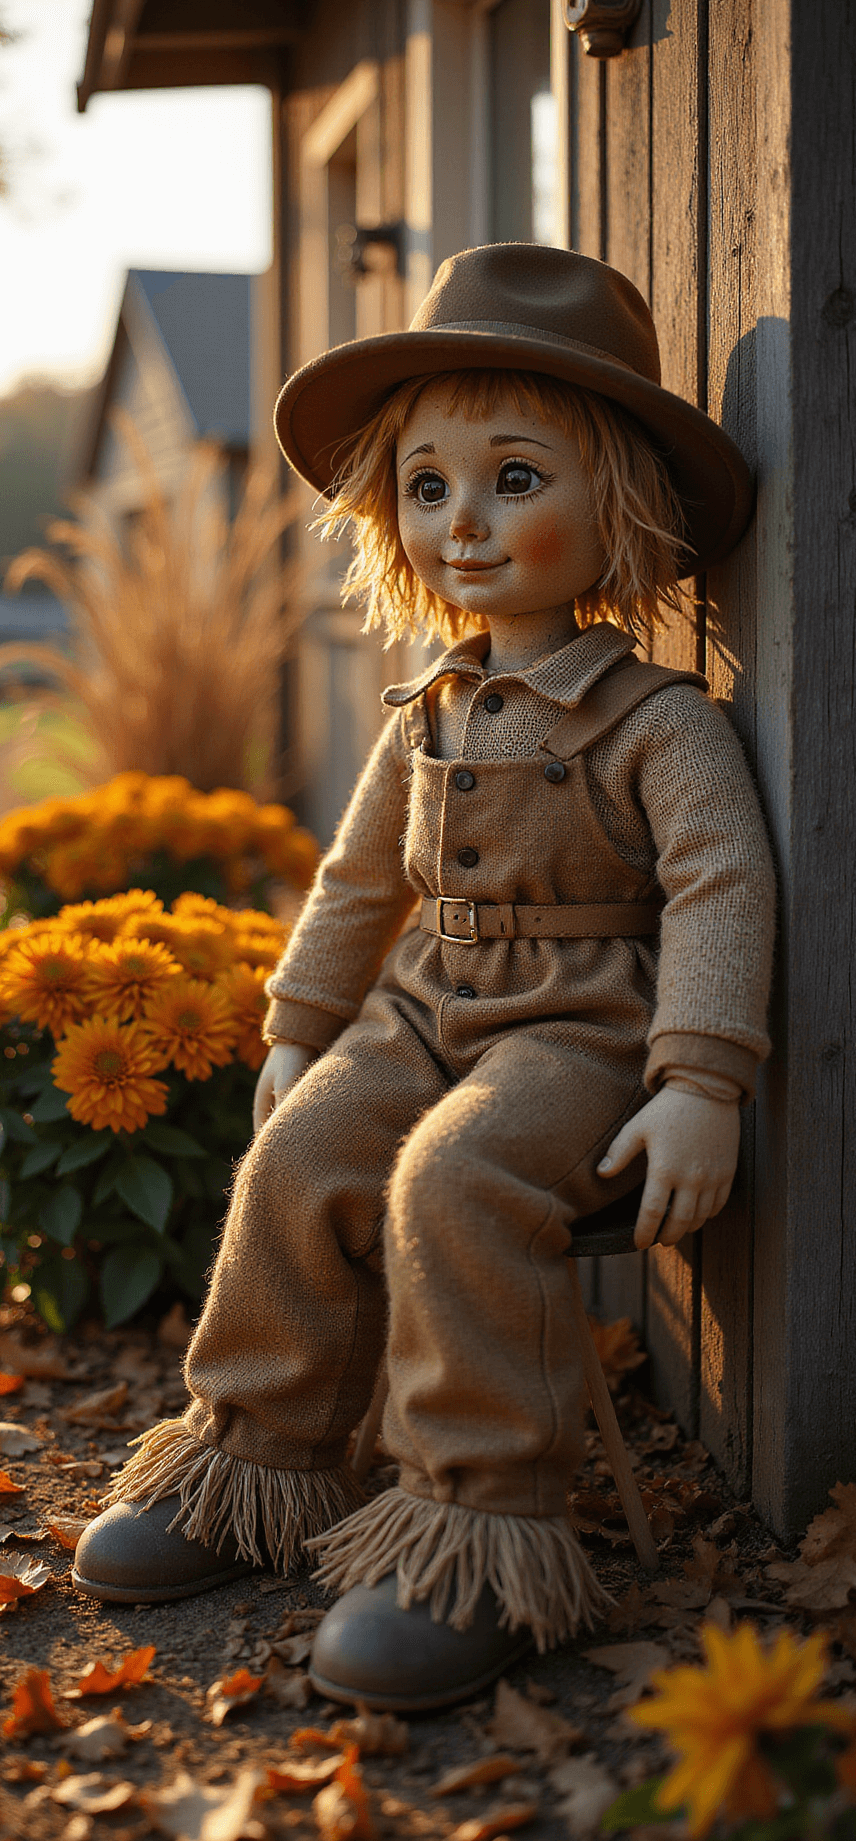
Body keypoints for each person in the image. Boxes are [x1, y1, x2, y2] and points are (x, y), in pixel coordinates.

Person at [73, 244, 775, 1711]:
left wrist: (701, 1076)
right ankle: (256, 1465)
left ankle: (478, 1535)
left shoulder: (657, 722)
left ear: (620, 502)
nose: (465, 522)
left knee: (452, 1185)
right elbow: (357, 881)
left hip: (581, 1029)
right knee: (304, 1155)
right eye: (430, 485)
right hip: (422, 1003)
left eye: (517, 479)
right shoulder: (430, 707)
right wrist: (298, 1027)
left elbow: (720, 882)